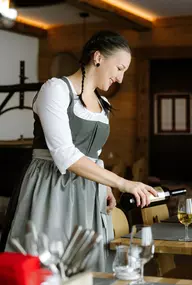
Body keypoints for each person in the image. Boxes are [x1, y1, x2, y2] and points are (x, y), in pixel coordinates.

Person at [0, 30, 157, 271]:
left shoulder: (103, 104)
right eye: (119, 68)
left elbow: (95, 153)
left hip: (88, 192)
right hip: (51, 186)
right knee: (47, 263)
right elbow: (65, 155)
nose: (121, 78)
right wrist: (124, 183)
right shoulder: (56, 89)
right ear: (98, 57)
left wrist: (104, 186)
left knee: (87, 264)